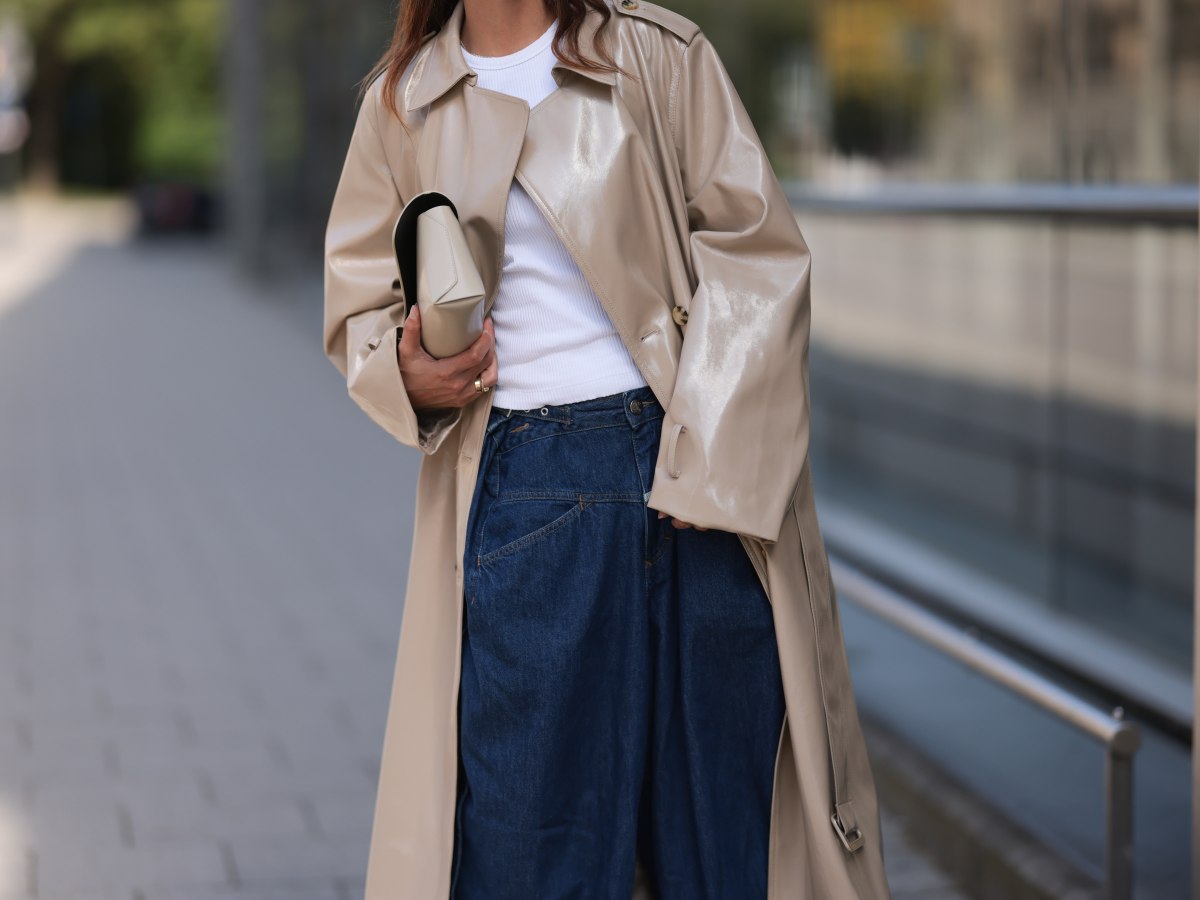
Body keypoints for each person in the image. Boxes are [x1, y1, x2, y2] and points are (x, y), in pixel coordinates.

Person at [323, 0, 893, 897]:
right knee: (531, 853)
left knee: (723, 848)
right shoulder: (404, 103)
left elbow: (762, 257)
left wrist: (703, 468)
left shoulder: (656, 53)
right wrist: (406, 370)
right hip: (527, 495)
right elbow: (361, 307)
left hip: (694, 479)